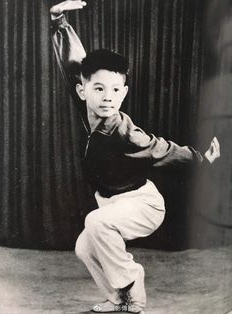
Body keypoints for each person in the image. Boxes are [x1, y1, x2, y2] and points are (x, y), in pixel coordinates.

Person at [50, 1, 220, 313]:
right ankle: (118, 300)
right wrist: (58, 19)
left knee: (95, 222)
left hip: (143, 204)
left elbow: (161, 148)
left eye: (115, 90)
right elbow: (73, 63)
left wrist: (201, 159)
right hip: (112, 204)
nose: (107, 97)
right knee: (83, 247)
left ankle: (131, 282)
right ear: (81, 91)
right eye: (99, 89)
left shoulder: (122, 130)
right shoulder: (85, 108)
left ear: (124, 93)